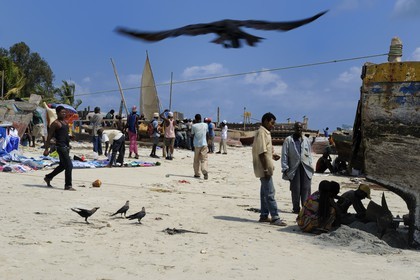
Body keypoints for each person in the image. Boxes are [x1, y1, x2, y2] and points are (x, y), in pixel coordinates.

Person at [252, 112, 286, 226]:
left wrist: (272, 156)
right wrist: (266, 169)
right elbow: (261, 153)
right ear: (266, 121)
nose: (273, 125)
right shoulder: (262, 132)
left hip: (265, 166)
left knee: (264, 193)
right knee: (270, 193)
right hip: (264, 168)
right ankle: (275, 217)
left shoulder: (265, 132)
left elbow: (265, 151)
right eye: (272, 123)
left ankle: (264, 215)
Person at [281, 122, 314, 214]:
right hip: (294, 168)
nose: (299, 130)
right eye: (297, 128)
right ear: (294, 129)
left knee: (306, 188)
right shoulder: (288, 140)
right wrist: (285, 168)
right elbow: (284, 154)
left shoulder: (306, 140)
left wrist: (311, 165)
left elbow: (309, 154)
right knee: (295, 188)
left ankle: (305, 208)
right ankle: (296, 208)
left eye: (300, 128)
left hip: (306, 167)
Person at [43, 106, 75, 191]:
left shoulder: (65, 122)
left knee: (62, 166)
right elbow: (49, 137)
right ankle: (68, 185)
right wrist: (46, 149)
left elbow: (64, 134)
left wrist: (69, 138)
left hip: (66, 146)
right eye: (62, 112)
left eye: (65, 112)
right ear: (57, 113)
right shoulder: (55, 123)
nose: (64, 114)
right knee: (69, 166)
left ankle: (48, 177)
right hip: (60, 147)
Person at [191, 114, 209, 179]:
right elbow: (207, 134)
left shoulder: (194, 126)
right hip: (204, 144)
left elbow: (192, 136)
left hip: (196, 144)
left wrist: (191, 145)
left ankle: (197, 174)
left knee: (196, 160)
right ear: (201, 118)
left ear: (195, 119)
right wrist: (207, 143)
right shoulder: (205, 125)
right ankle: (204, 171)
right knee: (204, 159)